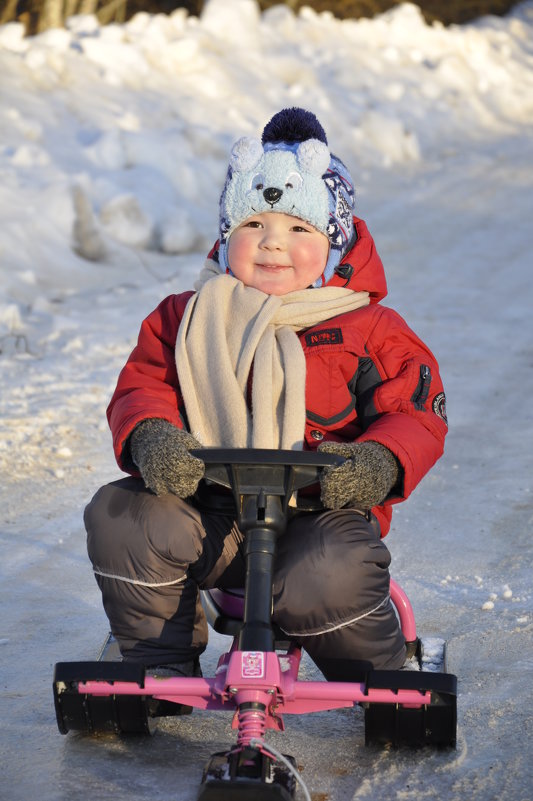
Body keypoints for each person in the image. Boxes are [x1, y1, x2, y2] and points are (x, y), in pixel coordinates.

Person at [85, 107, 448, 681]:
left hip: (314, 518)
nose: (273, 245)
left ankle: (379, 673)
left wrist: (379, 459)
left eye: (300, 229)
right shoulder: (188, 317)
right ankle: (158, 661)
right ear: (228, 236)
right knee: (121, 516)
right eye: (255, 225)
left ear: (333, 246)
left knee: (330, 574)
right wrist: (153, 435)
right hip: (209, 514)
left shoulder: (371, 330)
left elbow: (416, 414)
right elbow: (143, 385)